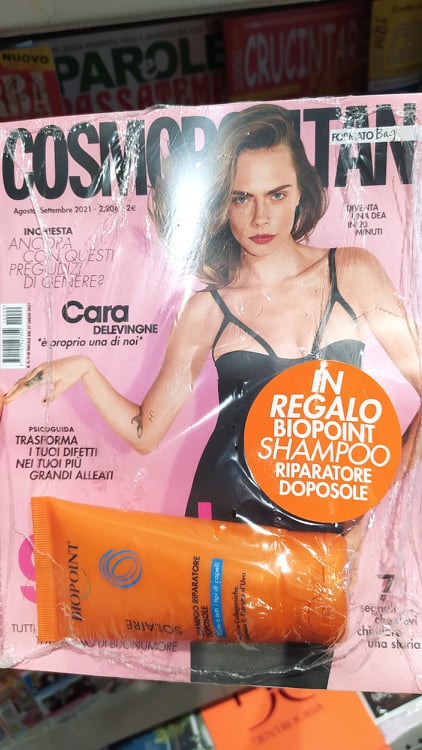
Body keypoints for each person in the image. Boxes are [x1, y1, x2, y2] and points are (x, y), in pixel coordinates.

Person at [5, 104, 421, 685]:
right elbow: (147, 432)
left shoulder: (351, 271)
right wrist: (86, 370)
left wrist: (365, 508)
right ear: (221, 203)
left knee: (304, 694)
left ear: (302, 193)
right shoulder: (207, 308)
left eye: (276, 194)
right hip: (223, 537)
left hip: (320, 535)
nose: (260, 216)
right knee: (227, 696)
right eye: (240, 197)